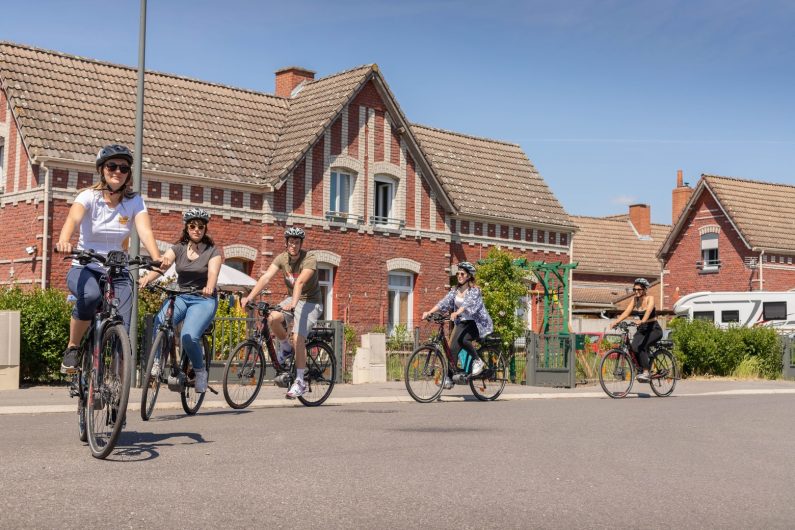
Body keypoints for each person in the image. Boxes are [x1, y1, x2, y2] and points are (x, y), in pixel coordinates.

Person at [56, 144, 167, 373]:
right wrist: (65, 240)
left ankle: (115, 381)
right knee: (91, 296)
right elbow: (72, 220)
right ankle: (73, 347)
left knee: (123, 325)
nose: (118, 171)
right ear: (102, 170)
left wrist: (157, 257)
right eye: (112, 166)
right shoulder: (89, 196)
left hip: (118, 269)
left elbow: (145, 231)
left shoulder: (135, 201)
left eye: (123, 168)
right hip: (86, 265)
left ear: (128, 174)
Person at [139, 208, 221, 394]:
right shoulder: (178, 248)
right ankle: (158, 362)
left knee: (188, 336)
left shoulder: (212, 251)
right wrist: (147, 278)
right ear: (187, 228)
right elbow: (164, 264)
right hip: (181, 296)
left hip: (203, 298)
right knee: (161, 322)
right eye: (193, 226)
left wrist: (209, 286)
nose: (197, 229)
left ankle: (200, 372)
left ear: (205, 229)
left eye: (201, 226)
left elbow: (213, 273)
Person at [241, 227, 323, 399]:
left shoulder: (309, 258)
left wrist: (293, 305)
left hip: (311, 302)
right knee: (272, 317)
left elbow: (300, 282)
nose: (294, 245)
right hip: (292, 298)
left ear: (301, 244)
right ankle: (285, 348)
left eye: (297, 242)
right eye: (291, 242)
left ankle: (300, 381)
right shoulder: (282, 258)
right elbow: (265, 277)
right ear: (286, 243)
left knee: (298, 337)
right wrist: (249, 296)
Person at [422, 261, 493, 386]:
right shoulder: (455, 290)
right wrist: (429, 312)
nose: (459, 276)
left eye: (463, 274)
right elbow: (443, 302)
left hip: (476, 323)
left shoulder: (475, 291)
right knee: (452, 350)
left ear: (469, 276)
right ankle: (449, 379)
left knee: (464, 340)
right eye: (458, 273)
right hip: (462, 323)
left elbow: (467, 304)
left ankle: (478, 361)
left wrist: (457, 313)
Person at [612, 277, 662, 382]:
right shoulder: (635, 299)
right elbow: (626, 312)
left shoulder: (650, 298)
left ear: (644, 289)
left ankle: (646, 372)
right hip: (642, 329)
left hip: (653, 329)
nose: (636, 291)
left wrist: (642, 320)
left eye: (639, 289)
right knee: (634, 347)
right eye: (634, 289)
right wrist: (616, 322)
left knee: (642, 346)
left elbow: (648, 311)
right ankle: (641, 369)